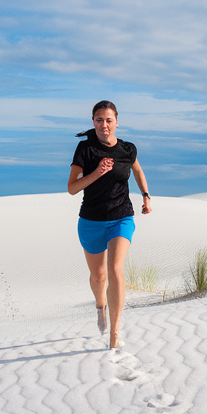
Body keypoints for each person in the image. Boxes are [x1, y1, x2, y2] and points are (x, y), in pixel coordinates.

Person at [67, 101, 152, 349]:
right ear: (93, 122)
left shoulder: (127, 149)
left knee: (115, 269)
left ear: (117, 121)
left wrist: (146, 195)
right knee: (98, 275)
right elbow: (72, 188)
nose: (104, 125)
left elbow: (137, 170)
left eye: (108, 120)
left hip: (121, 217)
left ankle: (115, 334)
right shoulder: (85, 150)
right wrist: (96, 174)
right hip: (91, 221)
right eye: (99, 120)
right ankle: (100, 306)